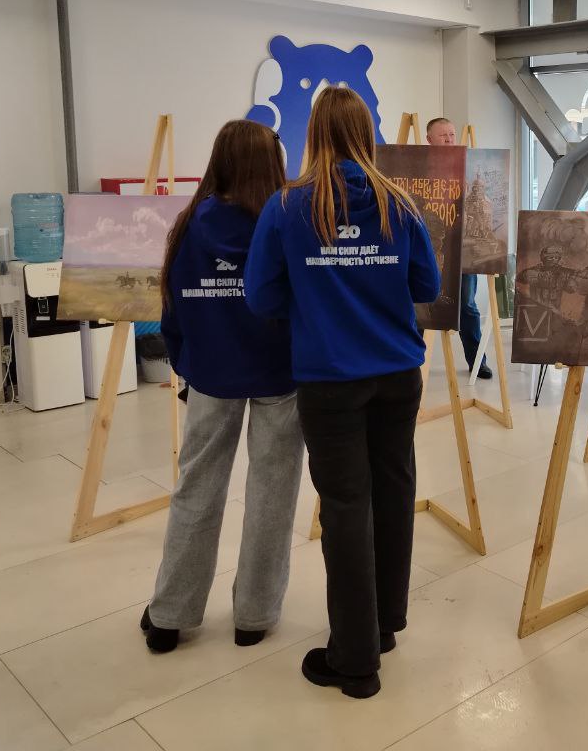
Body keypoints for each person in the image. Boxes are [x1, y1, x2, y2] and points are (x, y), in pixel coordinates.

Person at [246, 86, 439, 699]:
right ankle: (383, 625)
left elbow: (260, 295)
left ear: (314, 134)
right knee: (394, 492)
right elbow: (427, 285)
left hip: (329, 377)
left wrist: (316, 302)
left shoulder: (287, 207)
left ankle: (355, 659)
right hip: (397, 373)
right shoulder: (399, 204)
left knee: (346, 506)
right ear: (367, 133)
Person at [142, 120, 300, 655]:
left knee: (197, 489)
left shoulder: (190, 223)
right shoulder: (284, 222)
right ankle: (255, 614)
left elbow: (173, 308)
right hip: (280, 374)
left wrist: (187, 364)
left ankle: (170, 614)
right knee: (273, 492)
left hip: (211, 374)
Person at [426, 116, 492, 379]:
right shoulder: (421, 169)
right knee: (420, 304)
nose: (449, 139)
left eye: (452, 135)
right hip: (429, 247)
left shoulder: (467, 168)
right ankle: (413, 362)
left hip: (462, 248)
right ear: (429, 140)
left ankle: (477, 362)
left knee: (466, 305)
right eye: (443, 135)